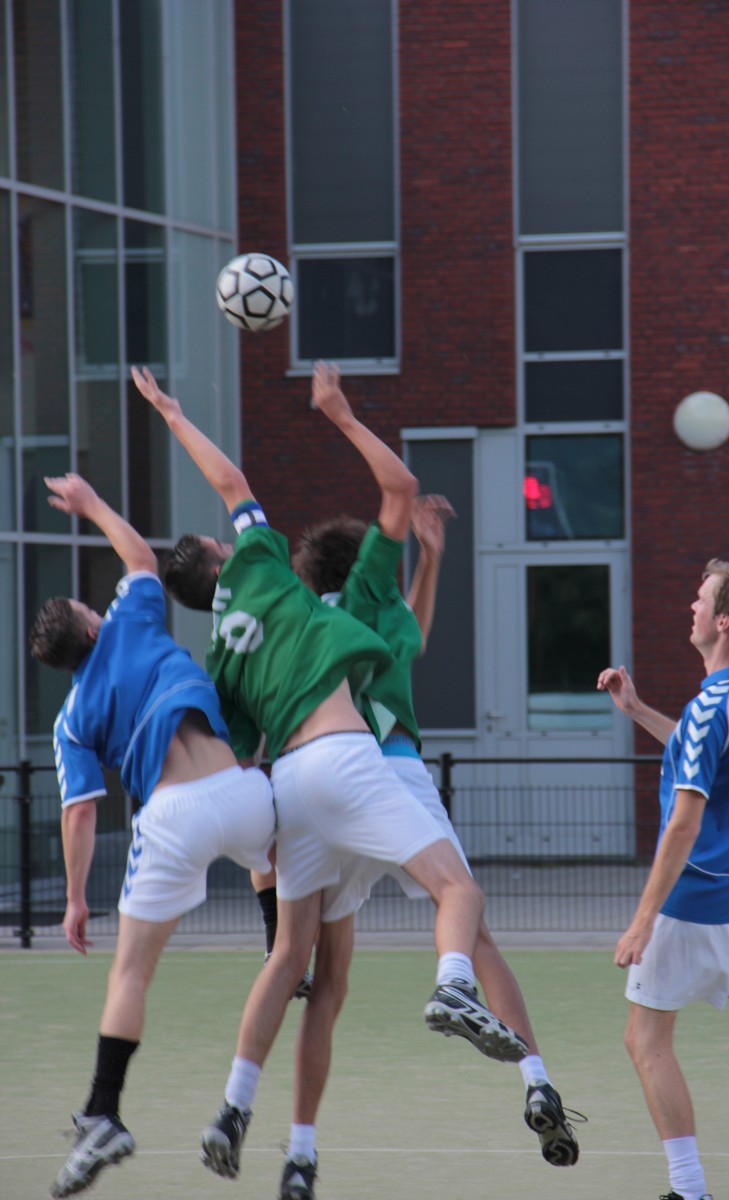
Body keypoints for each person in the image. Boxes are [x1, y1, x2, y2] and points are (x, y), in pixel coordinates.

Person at [130, 363, 529, 1196]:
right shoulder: (265, 561)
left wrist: (259, 863)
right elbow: (232, 477)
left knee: (291, 961)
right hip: (347, 757)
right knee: (457, 893)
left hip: (288, 788)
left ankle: (238, 1109)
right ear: (220, 556)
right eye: (218, 538)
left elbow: (237, 761)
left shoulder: (218, 659)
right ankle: (453, 990)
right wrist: (172, 411)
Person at [288, 363, 582, 1183]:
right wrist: (343, 415)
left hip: (317, 787)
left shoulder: (317, 621)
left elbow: (412, 629)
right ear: (367, 569)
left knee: (318, 969)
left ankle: (294, 1140)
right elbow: (407, 592)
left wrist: (432, 562)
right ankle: (535, 1076)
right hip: (390, 774)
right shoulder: (371, 604)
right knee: (471, 923)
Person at [29, 474, 276, 1199]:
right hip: (242, 790)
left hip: (172, 817)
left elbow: (80, 811)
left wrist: (76, 899)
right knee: (274, 852)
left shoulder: (71, 718)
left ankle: (104, 1113)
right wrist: (92, 504)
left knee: (130, 974)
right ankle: (281, 947)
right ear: (94, 625)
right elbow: (139, 557)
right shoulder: (134, 619)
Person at [597, 557, 729, 1200]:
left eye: (700, 596)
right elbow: (698, 748)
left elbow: (684, 822)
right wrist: (636, 710)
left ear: (721, 621)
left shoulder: (713, 704)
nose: (690, 604)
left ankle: (689, 1190)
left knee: (644, 1039)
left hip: (696, 902)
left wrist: (642, 919)